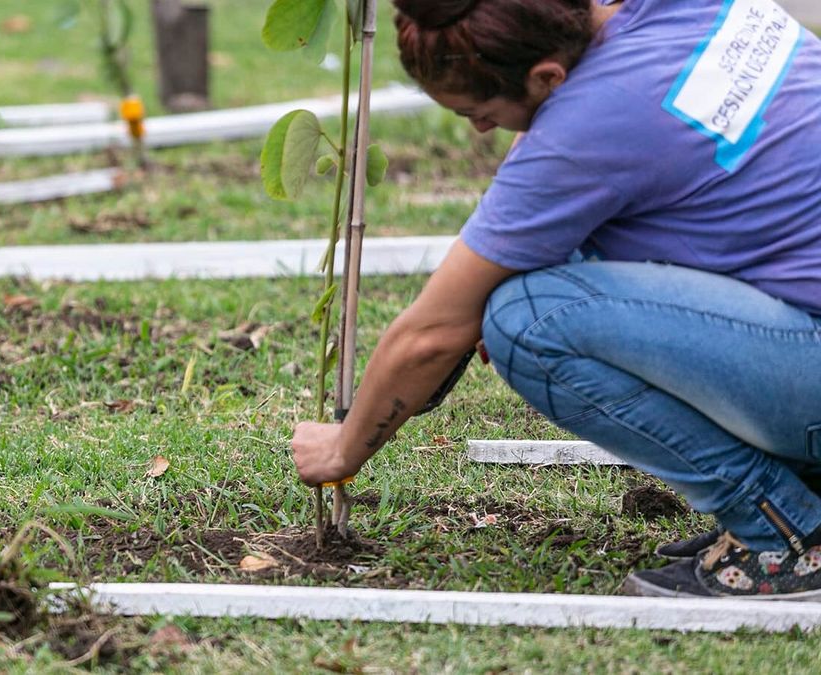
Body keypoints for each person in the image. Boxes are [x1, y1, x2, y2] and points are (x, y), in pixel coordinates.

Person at [291, 0, 821, 599]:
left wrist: (342, 448)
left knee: (530, 319)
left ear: (546, 77)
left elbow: (432, 334)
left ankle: (787, 532)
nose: (481, 131)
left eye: (481, 112)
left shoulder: (590, 124)